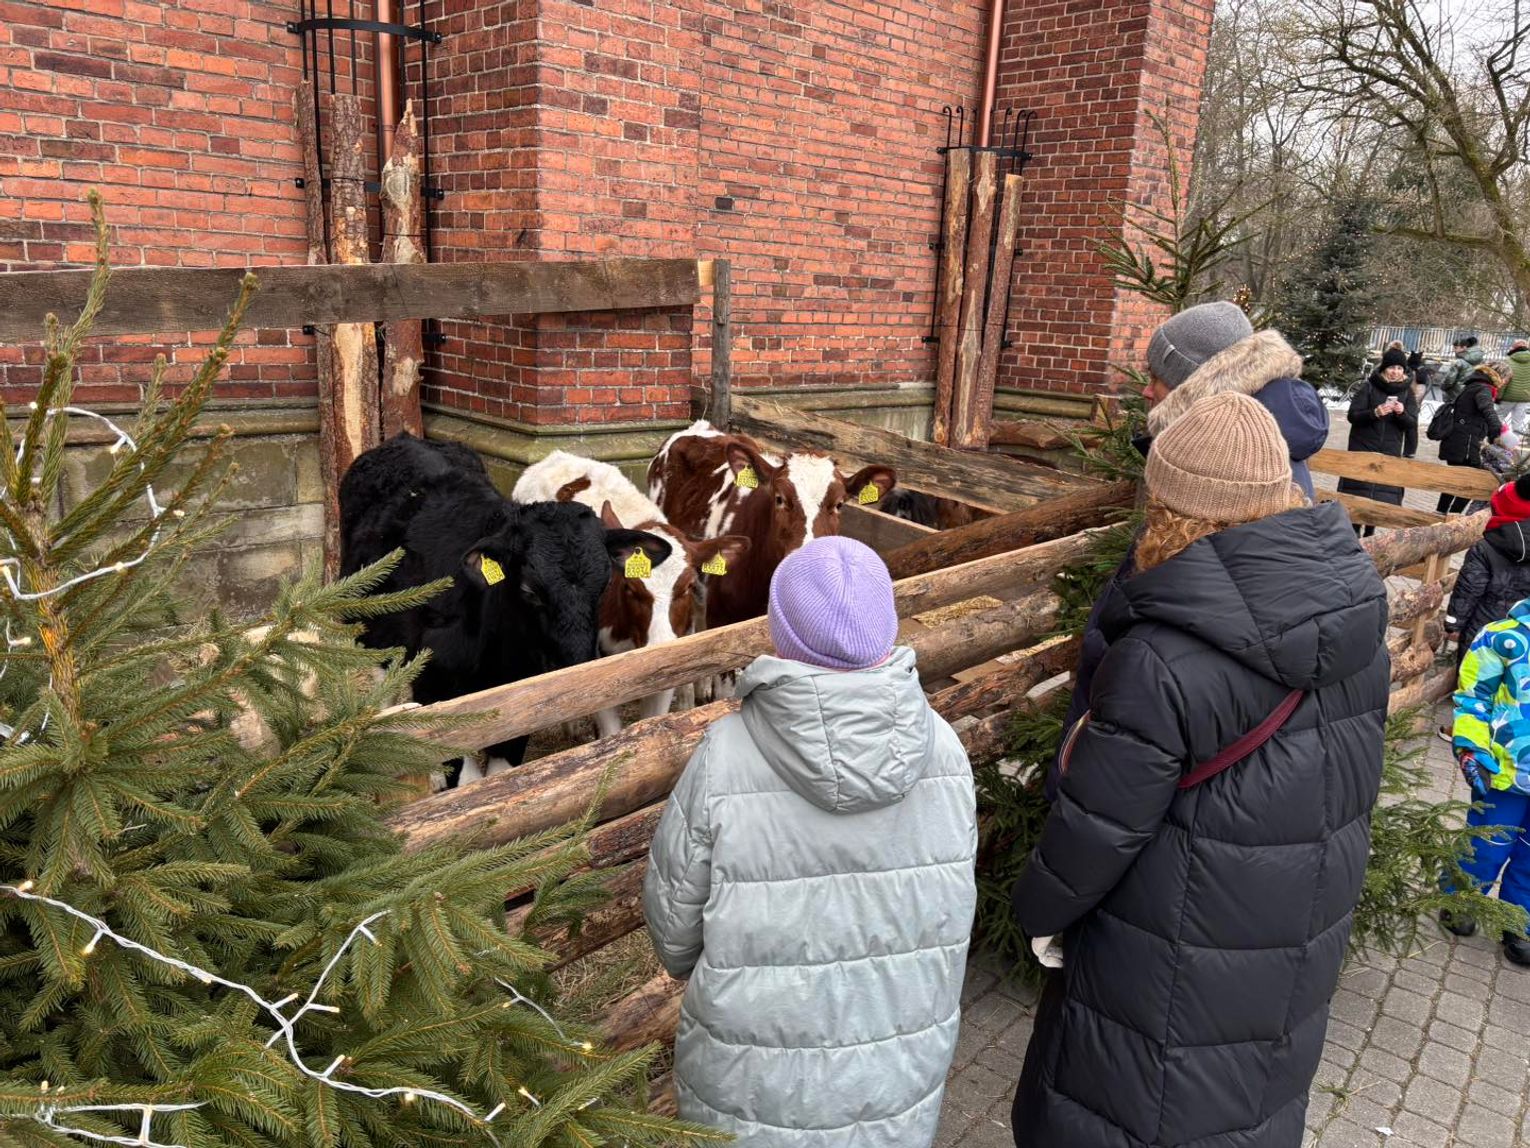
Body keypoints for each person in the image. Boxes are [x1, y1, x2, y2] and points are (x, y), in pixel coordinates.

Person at [1010, 392, 1389, 1148]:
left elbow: (1098, 827)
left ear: (1173, 504)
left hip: (1169, 940)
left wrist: (1037, 913)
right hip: (1288, 933)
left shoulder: (1161, 659)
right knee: (1244, 1104)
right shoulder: (1357, 625)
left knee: (1134, 1107)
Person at [642, 535, 977, 1146]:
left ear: (780, 631)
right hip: (896, 1062)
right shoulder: (944, 749)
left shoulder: (726, 757)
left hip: (752, 1071)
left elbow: (674, 929)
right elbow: (950, 908)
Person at [1146, 318, 1330, 499]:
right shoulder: (1260, 428)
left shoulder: (1232, 457)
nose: (1146, 391)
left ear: (1192, 387)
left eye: (1156, 378)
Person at [1440, 600, 1530, 967]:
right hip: (1505, 773)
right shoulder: (1502, 638)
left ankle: (1518, 919)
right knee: (1486, 845)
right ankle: (1461, 897)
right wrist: (1472, 748)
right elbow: (1473, 697)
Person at [1338, 346, 1419, 536]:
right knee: (1358, 497)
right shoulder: (1369, 387)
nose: (1395, 372)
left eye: (1399, 368)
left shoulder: (1407, 393)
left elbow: (1411, 424)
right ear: (1384, 369)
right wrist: (1375, 413)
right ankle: (1354, 533)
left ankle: (1370, 533)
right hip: (1363, 448)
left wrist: (1401, 413)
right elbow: (1353, 416)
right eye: (1391, 367)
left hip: (1389, 451)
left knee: (1379, 499)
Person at [1437, 361, 1509, 514]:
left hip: (1458, 441)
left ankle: (1441, 513)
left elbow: (1478, 417)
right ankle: (1454, 516)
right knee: (1473, 483)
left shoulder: (1475, 384)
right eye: (1506, 379)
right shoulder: (1484, 388)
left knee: (1456, 480)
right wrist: (1501, 432)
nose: (1505, 383)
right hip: (1466, 445)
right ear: (1499, 376)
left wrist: (1492, 435)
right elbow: (1487, 411)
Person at [1435, 334, 1484, 400]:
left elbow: (1449, 380)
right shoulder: (1480, 361)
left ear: (1464, 348)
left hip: (1455, 394)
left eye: (1455, 348)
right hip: (1471, 393)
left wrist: (1443, 387)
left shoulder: (1459, 362)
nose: (1453, 350)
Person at [1503, 339, 1530, 434]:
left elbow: (1504, 381)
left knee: (1498, 418)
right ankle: (1513, 442)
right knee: (1517, 424)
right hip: (1524, 397)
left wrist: (1498, 397)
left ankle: (1497, 439)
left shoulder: (1507, 361)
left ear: (1514, 348)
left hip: (1508, 396)